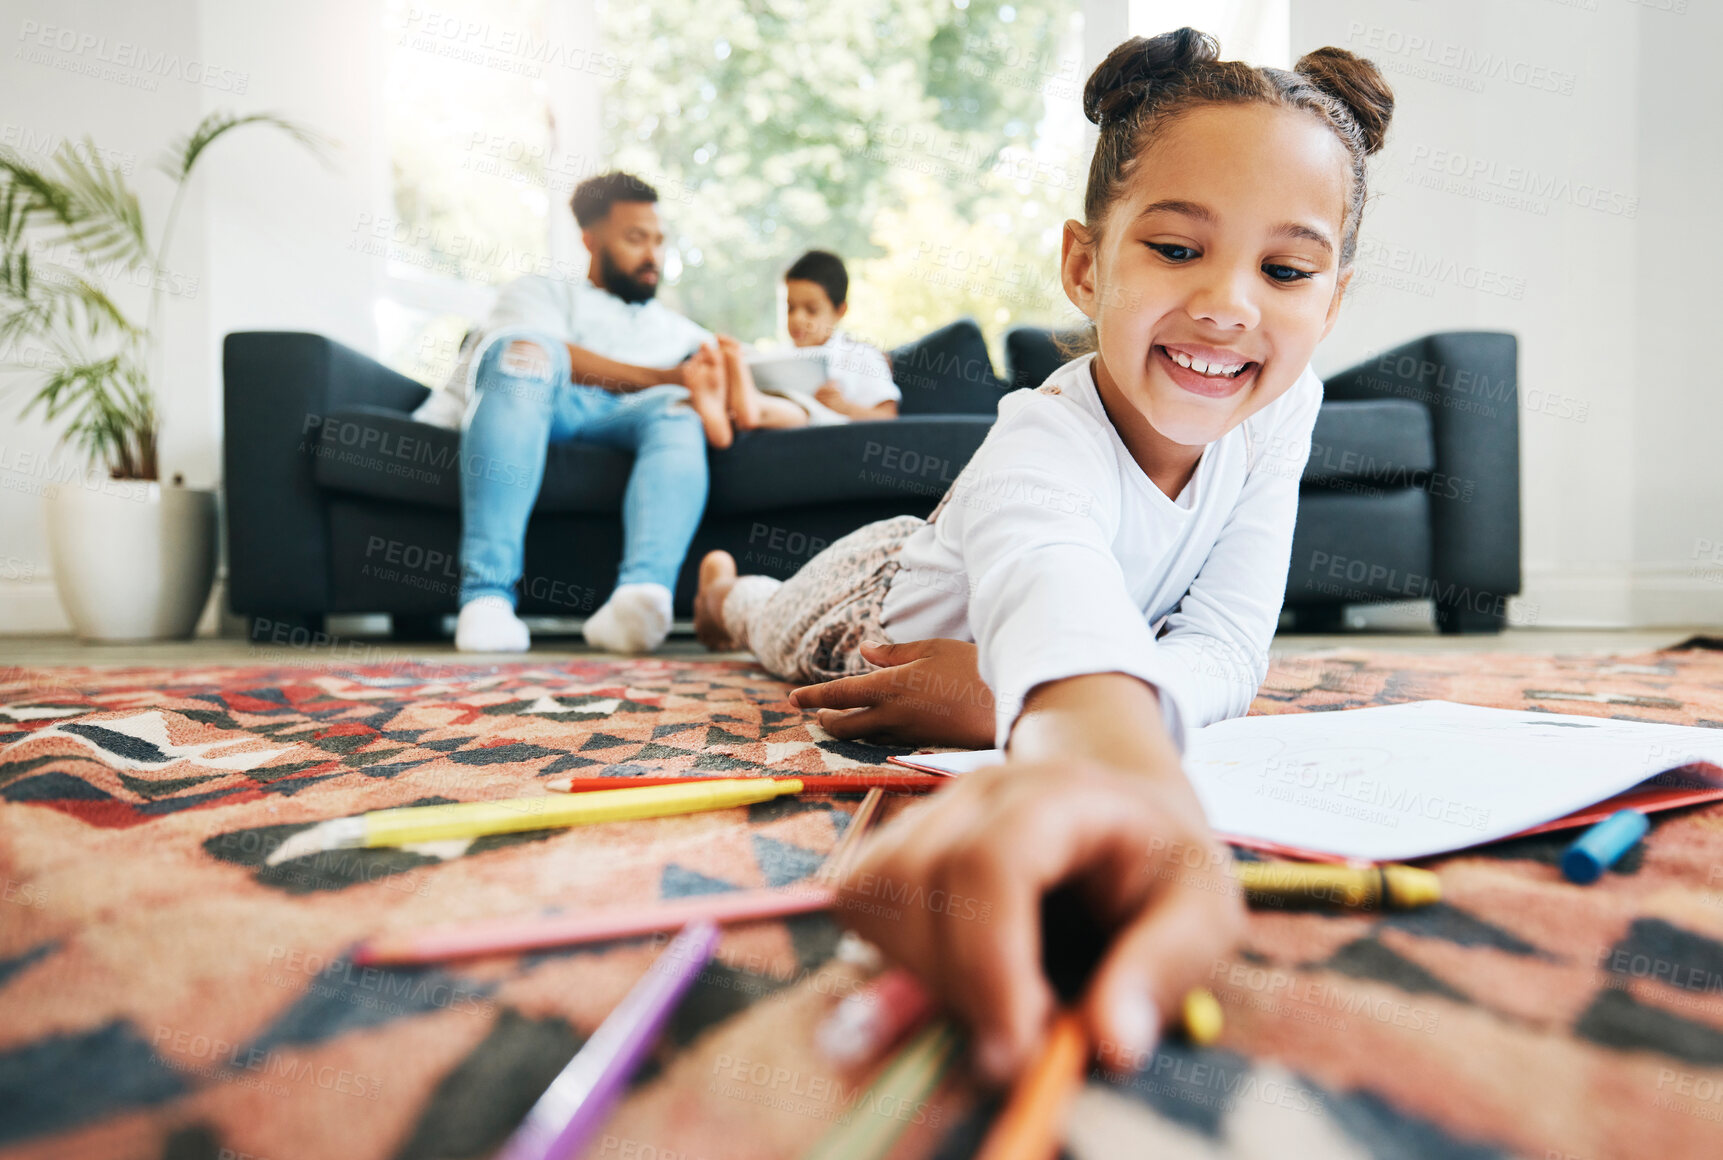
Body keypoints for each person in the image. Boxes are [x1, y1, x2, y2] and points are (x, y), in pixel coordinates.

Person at [693, 30, 1393, 1081]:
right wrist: (1095, 742)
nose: (1227, 304)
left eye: (1284, 268)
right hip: (880, 607)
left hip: (1033, 646)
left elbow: (1231, 648)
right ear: (1084, 264)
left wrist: (1005, 702)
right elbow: (1046, 574)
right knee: (773, 627)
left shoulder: (1284, 405)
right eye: (1174, 247)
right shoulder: (1043, 431)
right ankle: (723, 595)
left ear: (1329, 300)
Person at [412, 171, 735, 655]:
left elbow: (747, 377)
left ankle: (639, 598)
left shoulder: (679, 330)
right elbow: (531, 354)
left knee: (679, 411)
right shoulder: (539, 292)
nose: (653, 255)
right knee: (523, 350)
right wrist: (668, 377)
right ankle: (486, 599)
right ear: (590, 239)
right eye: (634, 239)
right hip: (540, 401)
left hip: (630, 418)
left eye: (659, 241)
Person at [716, 250, 901, 430]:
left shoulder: (861, 356)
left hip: (821, 432)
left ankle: (748, 406)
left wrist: (844, 407)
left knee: (794, 412)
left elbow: (888, 417)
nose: (797, 319)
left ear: (840, 311)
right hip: (775, 430)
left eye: (811, 310)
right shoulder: (781, 355)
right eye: (790, 308)